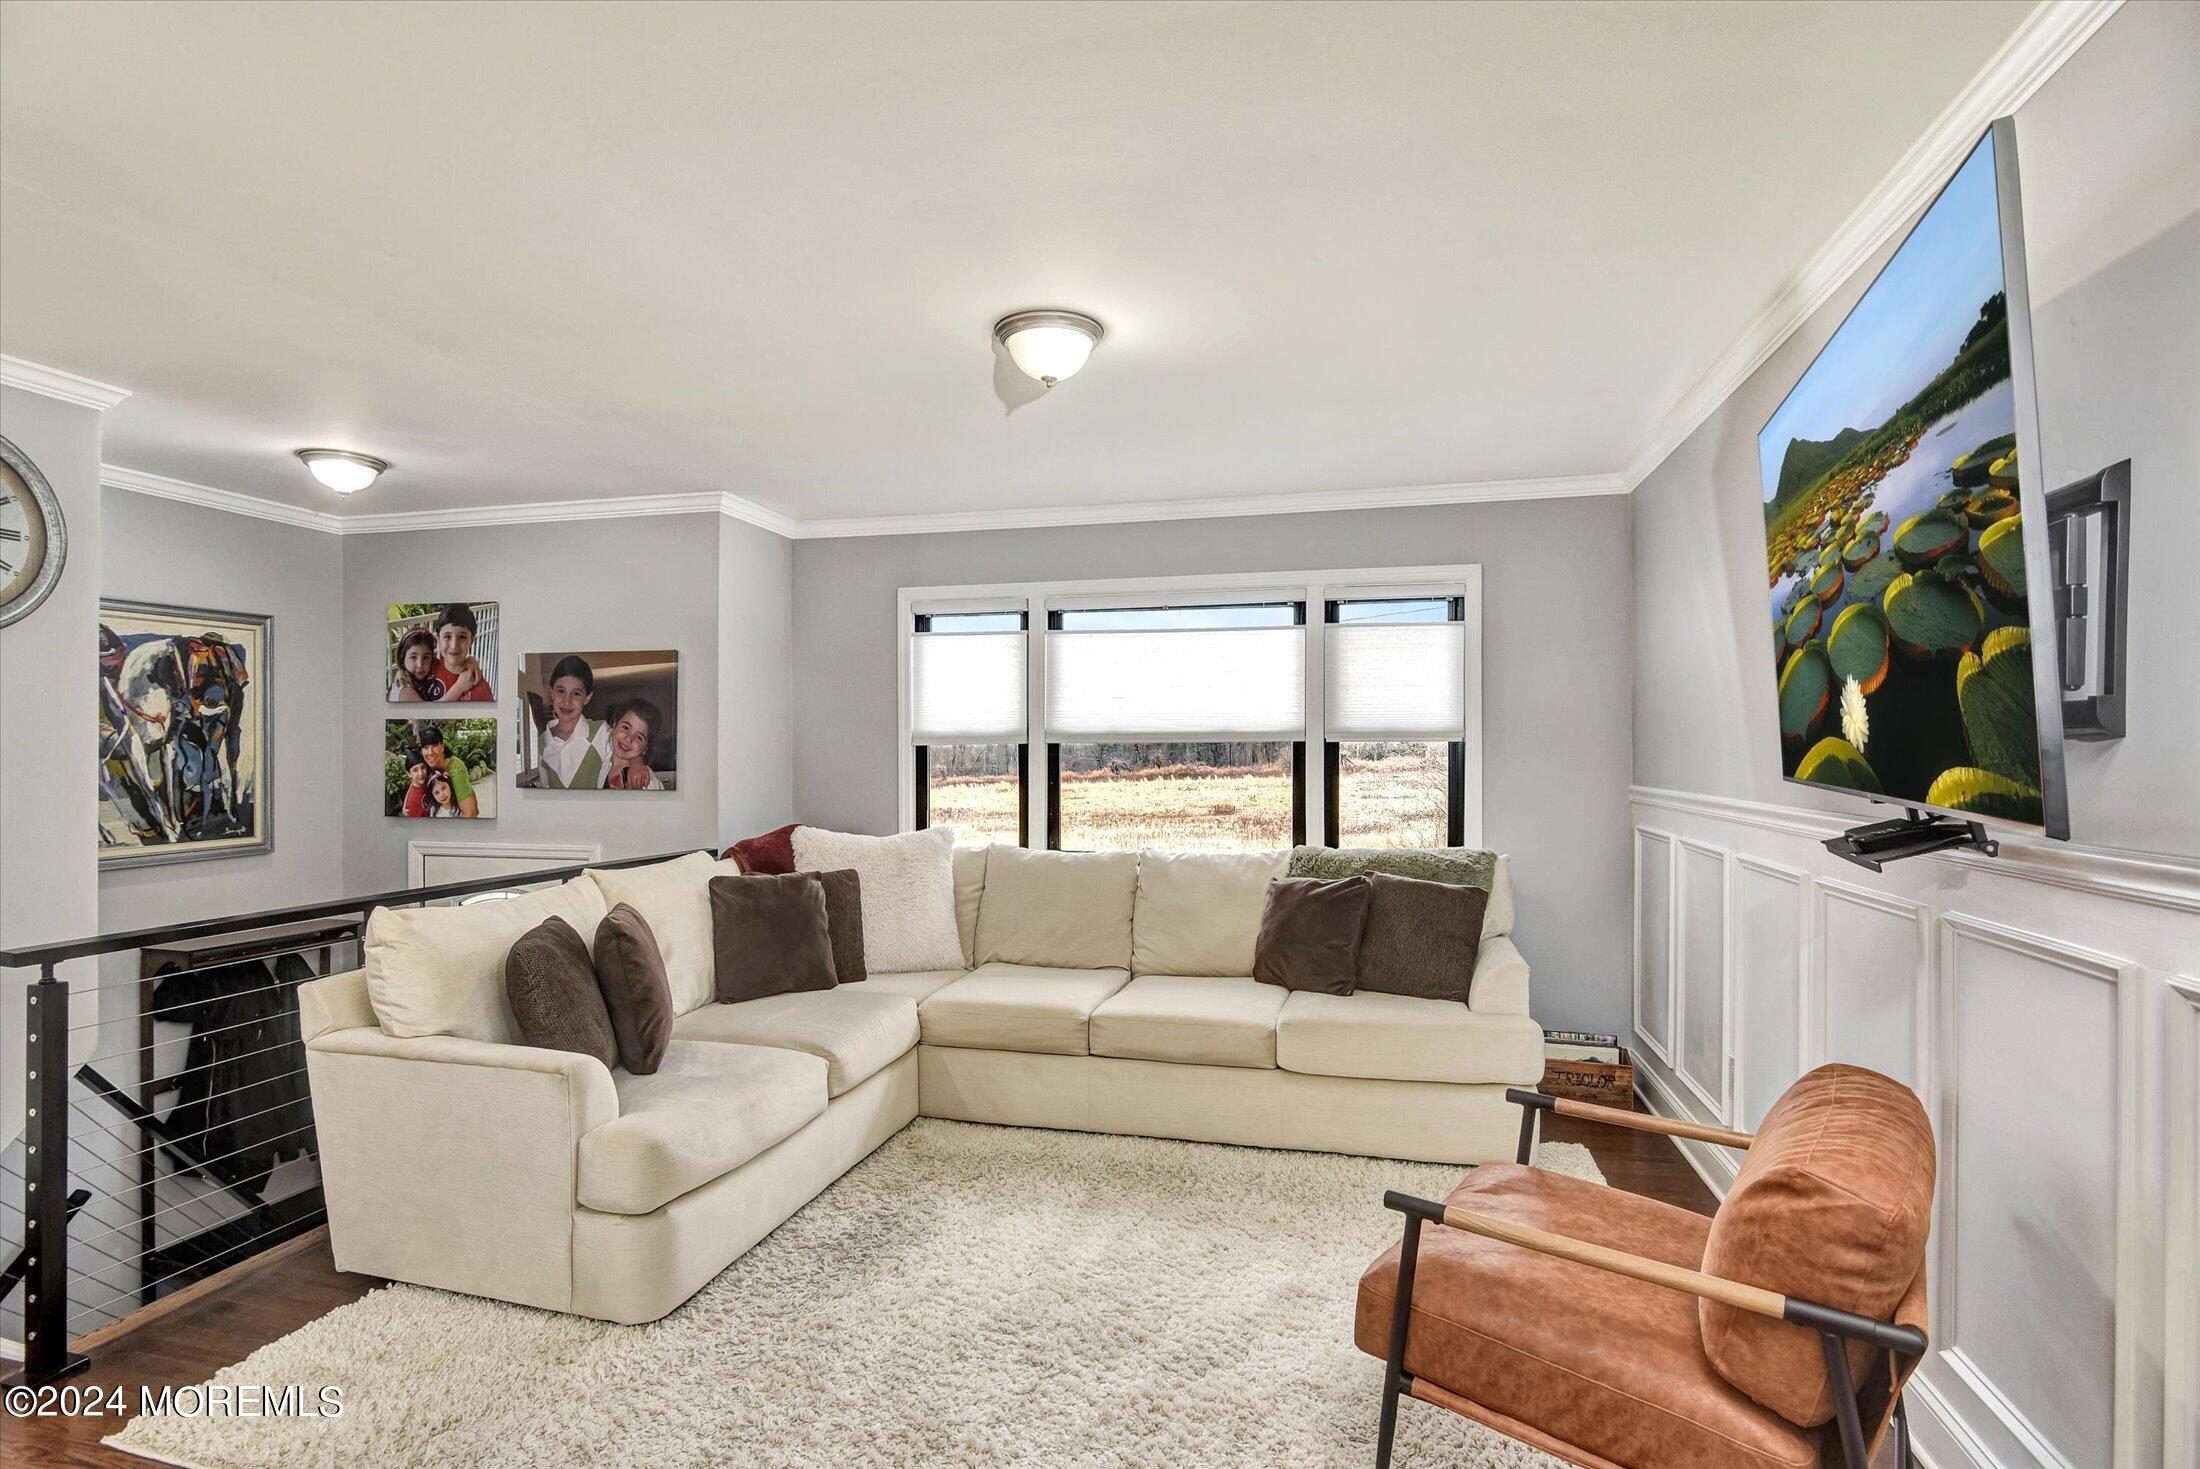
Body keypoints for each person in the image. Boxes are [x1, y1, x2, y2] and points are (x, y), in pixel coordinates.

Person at [537, 655, 611, 789]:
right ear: (552, 693)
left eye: (576, 693)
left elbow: (626, 755)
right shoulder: (542, 742)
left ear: (587, 698)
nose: (567, 701)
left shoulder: (602, 732)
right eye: (561, 691)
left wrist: (636, 761)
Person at [431, 604, 492, 702]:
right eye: (447, 636)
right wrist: (402, 672)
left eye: (462, 637)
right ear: (438, 639)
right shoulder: (427, 669)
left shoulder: (480, 688)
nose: (454, 646)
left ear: (471, 641)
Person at [416, 726, 479, 817]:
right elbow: (414, 782)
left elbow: (470, 813)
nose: (430, 752)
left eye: (434, 745)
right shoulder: (425, 763)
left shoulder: (456, 769)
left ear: (442, 747)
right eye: (426, 747)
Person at [605, 698, 666, 791]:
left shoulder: (645, 780)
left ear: (646, 747)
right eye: (625, 728)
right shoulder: (601, 756)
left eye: (639, 737)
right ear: (614, 725)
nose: (629, 738)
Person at [389, 629, 444, 702]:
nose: (420, 665)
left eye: (426, 657)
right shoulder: (404, 686)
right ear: (402, 657)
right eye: (413, 657)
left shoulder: (428, 678)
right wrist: (459, 687)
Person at [398, 747, 432, 817]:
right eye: (415, 770)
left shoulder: (427, 780)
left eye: (423, 767)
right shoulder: (413, 802)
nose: (421, 773)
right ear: (409, 774)